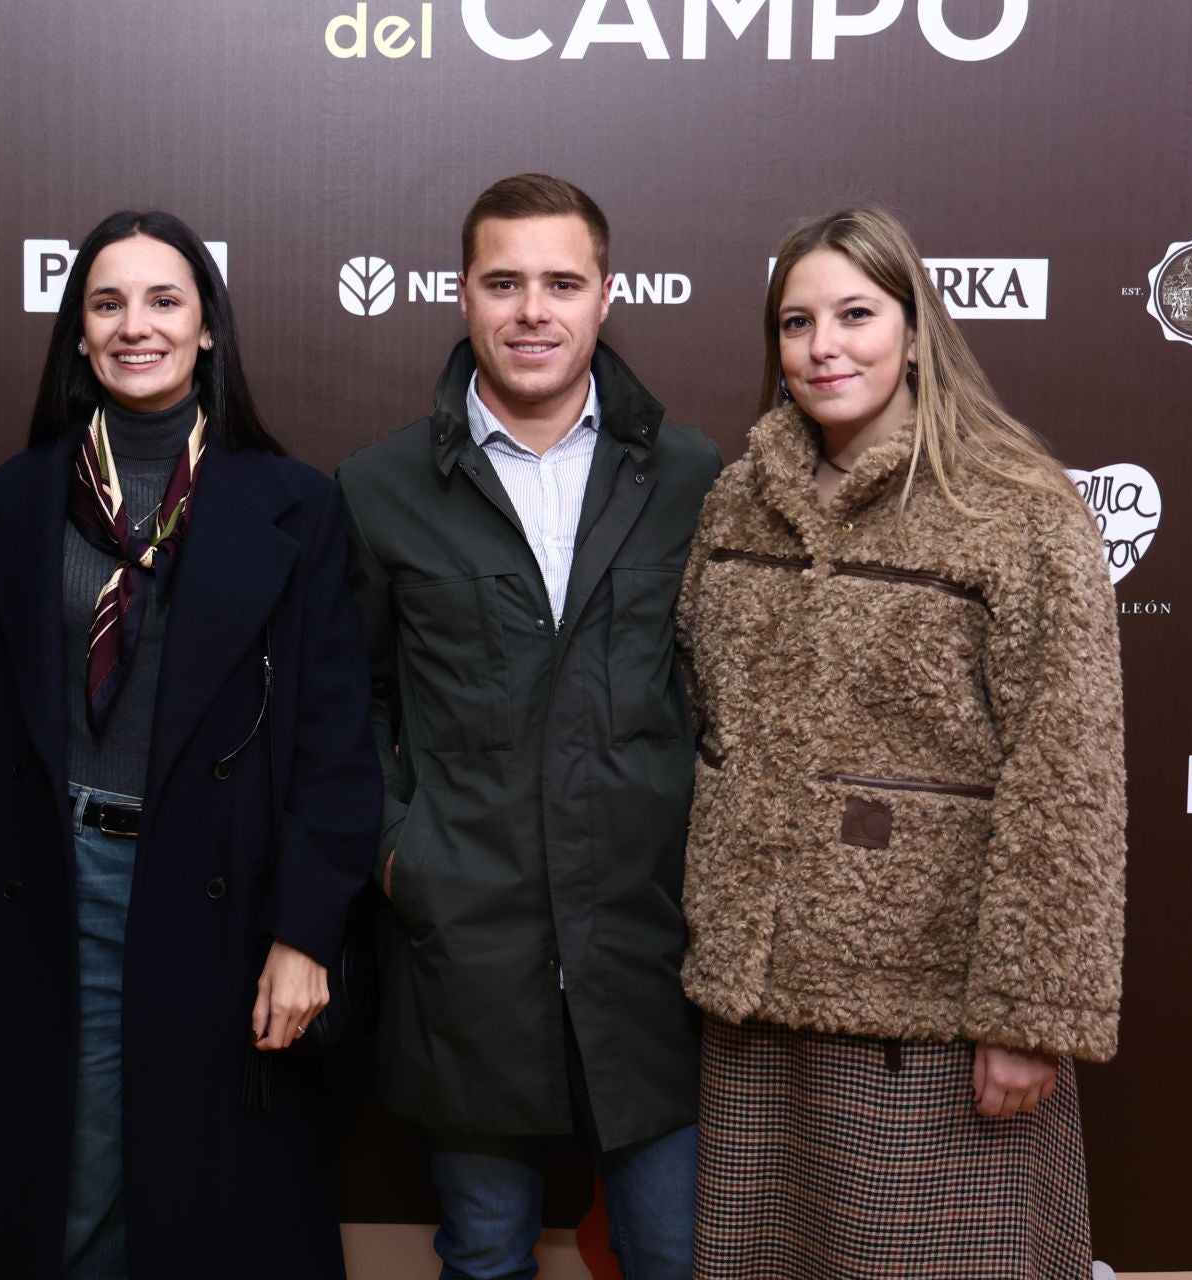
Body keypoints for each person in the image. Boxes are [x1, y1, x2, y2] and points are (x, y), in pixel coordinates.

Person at [677, 206, 1126, 1279]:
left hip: (932, 1013)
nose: (823, 345)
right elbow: (707, 712)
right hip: (756, 1004)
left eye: (855, 313)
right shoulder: (738, 502)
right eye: (797, 321)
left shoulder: (1019, 510)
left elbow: (1069, 770)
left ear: (916, 330)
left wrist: (1028, 1011)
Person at [0, 209, 380, 1280]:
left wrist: (306, 929)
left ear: (207, 329)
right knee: (77, 1191)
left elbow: (336, 736)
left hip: (223, 886)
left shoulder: (296, 506)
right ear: (79, 334)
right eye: (107, 302)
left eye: (163, 300)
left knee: (211, 1206)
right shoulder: (12, 501)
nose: (135, 325)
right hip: (61, 885)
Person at [337, 174, 721, 1280]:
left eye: (561, 282)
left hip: (651, 941)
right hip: (469, 943)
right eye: (504, 282)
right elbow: (353, 697)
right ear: (463, 294)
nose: (531, 311)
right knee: (489, 1252)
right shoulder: (379, 486)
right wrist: (403, 855)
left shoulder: (696, 476)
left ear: (607, 294)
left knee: (671, 1253)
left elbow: (731, 690)